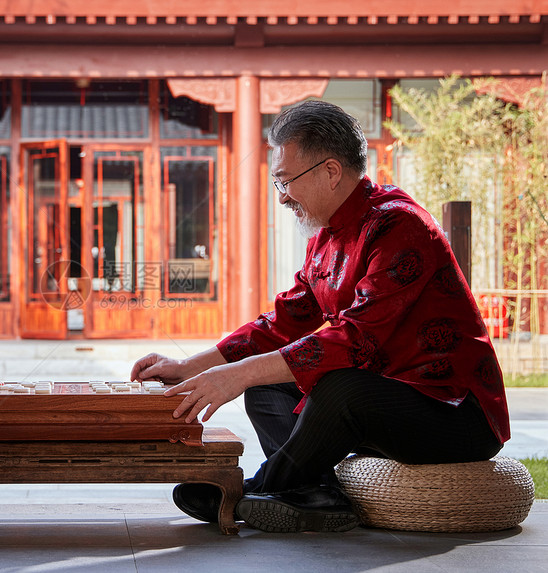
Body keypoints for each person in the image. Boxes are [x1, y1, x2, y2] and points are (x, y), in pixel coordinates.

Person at [131, 100, 509, 533]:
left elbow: (355, 341)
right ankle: (316, 494)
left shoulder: (400, 227)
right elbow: (281, 324)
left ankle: (253, 490)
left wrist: (240, 373)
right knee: (266, 384)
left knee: (339, 386)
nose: (283, 196)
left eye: (286, 180)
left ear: (331, 172)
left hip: (454, 411)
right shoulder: (325, 236)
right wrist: (188, 367)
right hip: (387, 399)